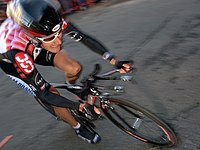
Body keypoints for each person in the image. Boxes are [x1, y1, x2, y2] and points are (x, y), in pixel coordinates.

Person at [0, 0, 131, 144]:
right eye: (51, 38)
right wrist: (80, 106)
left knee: (74, 68)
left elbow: (83, 37)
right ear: (33, 37)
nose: (59, 41)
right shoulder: (17, 53)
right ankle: (78, 127)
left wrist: (114, 60)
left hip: (37, 45)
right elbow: (46, 95)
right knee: (51, 93)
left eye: (59, 34)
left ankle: (72, 88)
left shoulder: (51, 24)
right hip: (12, 61)